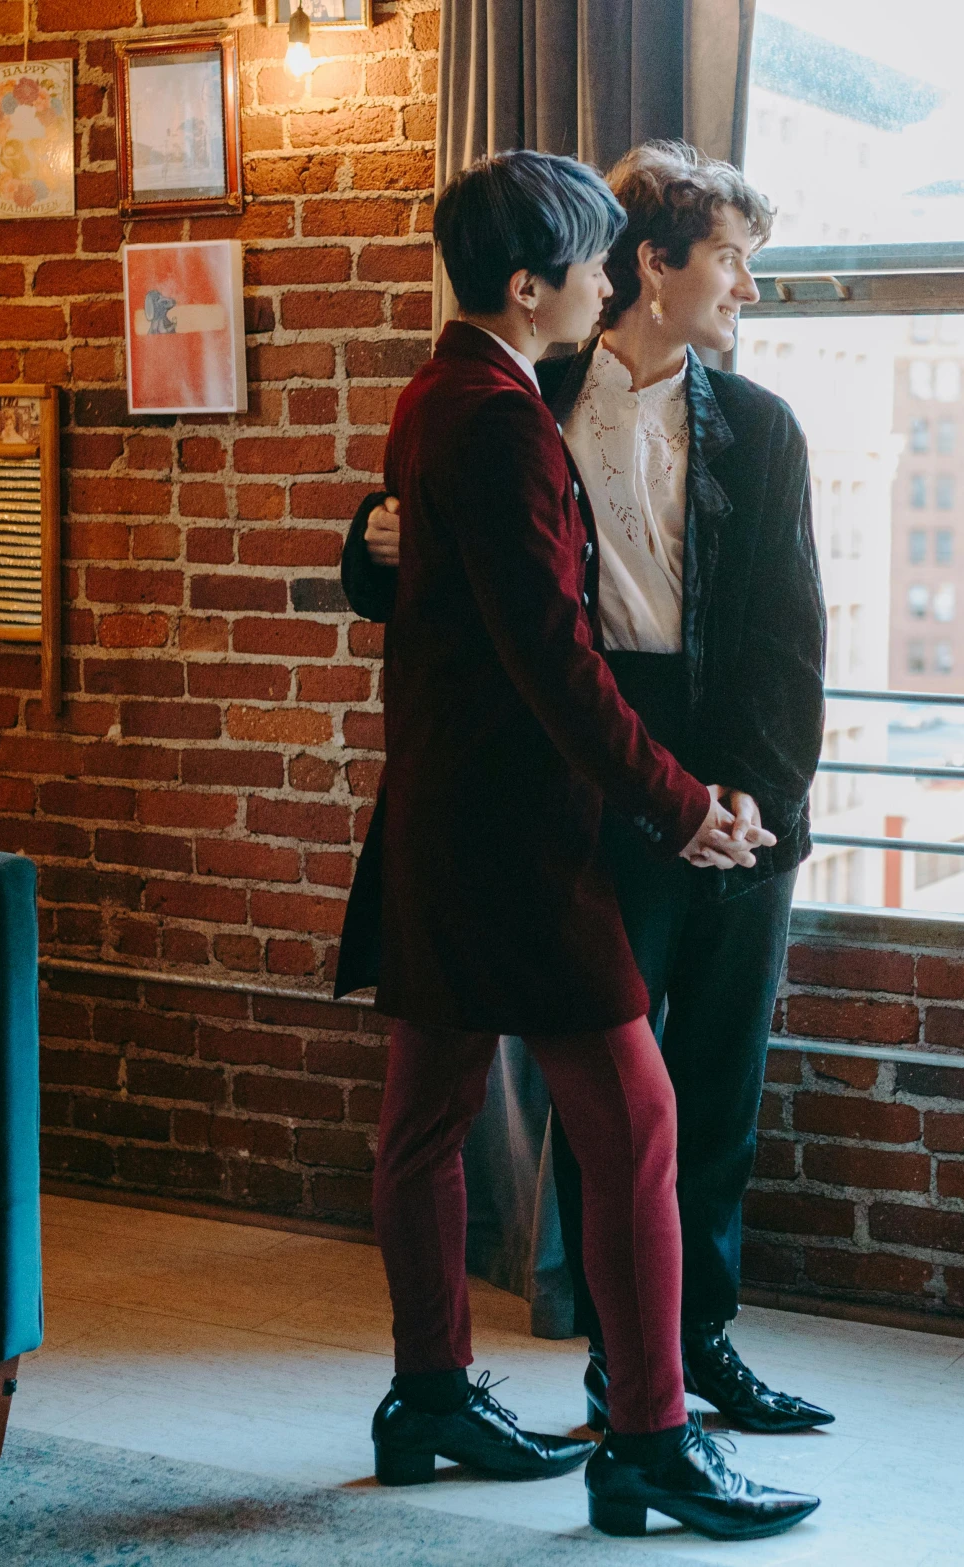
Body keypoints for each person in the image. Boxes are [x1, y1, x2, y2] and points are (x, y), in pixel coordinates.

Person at [339, 148, 819, 1543]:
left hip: (483, 799)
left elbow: (782, 634)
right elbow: (542, 649)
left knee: (435, 1113)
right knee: (636, 1117)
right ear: (536, 283)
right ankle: (650, 1440)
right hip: (534, 813)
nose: (612, 281)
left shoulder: (452, 390)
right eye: (603, 261)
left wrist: (740, 803)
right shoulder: (501, 409)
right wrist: (674, 804)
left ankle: (429, 1391)